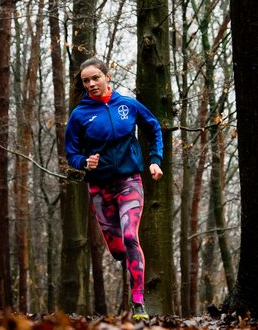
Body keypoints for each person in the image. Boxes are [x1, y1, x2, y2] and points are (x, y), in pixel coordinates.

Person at [65, 57, 164, 321]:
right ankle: (122, 253)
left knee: (131, 237)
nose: (91, 84)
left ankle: (138, 303)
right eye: (86, 81)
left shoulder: (128, 105)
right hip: (99, 187)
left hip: (129, 181)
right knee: (119, 249)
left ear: (107, 76)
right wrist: (85, 162)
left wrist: (155, 160)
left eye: (95, 77)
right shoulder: (79, 115)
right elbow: (71, 153)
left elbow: (153, 127)